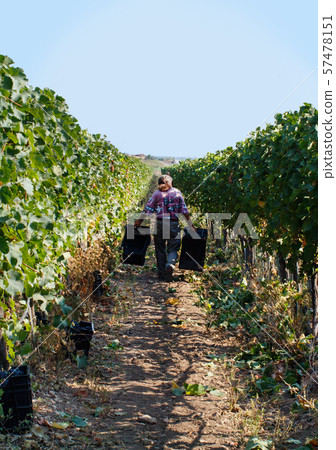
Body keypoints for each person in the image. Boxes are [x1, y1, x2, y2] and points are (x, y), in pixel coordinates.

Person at [134, 175, 193, 281]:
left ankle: (162, 274)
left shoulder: (157, 194)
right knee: (173, 247)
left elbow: (148, 209)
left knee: (160, 248)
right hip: (173, 223)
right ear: (170, 183)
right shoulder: (177, 193)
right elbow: (184, 211)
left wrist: (139, 221)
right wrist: (191, 225)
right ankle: (170, 265)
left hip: (160, 223)